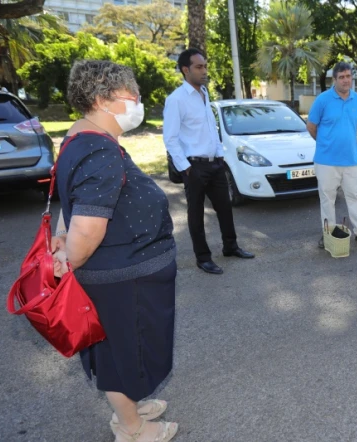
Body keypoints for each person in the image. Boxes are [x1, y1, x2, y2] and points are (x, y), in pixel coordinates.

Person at [51, 60, 178, 441]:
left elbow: (71, 200)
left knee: (122, 346)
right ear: (103, 100)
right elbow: (88, 228)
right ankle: (132, 428)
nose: (138, 102)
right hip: (121, 278)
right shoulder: (99, 151)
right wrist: (69, 258)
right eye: (132, 95)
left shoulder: (81, 138)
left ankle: (130, 406)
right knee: (123, 350)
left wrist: (61, 235)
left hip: (120, 274)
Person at [163, 48, 254, 275]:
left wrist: (220, 154)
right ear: (186, 70)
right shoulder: (176, 100)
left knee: (225, 208)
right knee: (195, 214)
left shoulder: (204, 93)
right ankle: (203, 258)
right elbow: (170, 138)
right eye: (199, 67)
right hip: (194, 166)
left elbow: (210, 130)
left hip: (215, 163)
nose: (204, 71)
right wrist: (186, 168)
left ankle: (230, 246)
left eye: (205, 66)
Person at [307, 61, 357, 249]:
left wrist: (344, 138)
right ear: (335, 79)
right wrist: (327, 143)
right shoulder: (323, 100)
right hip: (326, 161)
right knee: (327, 199)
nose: (346, 80)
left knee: (354, 196)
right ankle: (328, 234)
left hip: (351, 160)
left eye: (348, 76)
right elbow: (311, 126)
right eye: (341, 77)